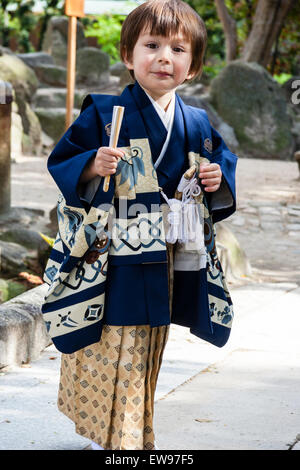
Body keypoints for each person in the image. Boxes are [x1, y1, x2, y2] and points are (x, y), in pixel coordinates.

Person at [45, 0, 238, 451]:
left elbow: (219, 168)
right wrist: (93, 163)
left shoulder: (197, 122)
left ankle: (129, 434)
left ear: (193, 67)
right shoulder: (104, 112)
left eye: (178, 49)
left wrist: (215, 178)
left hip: (166, 253)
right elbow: (64, 162)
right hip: (114, 256)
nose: (164, 57)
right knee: (112, 336)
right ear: (128, 55)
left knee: (150, 340)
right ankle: (123, 440)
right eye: (151, 45)